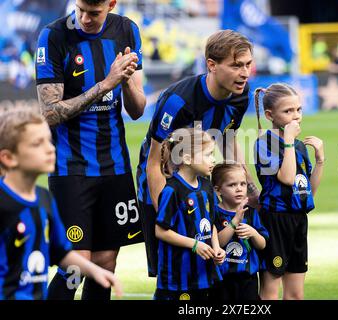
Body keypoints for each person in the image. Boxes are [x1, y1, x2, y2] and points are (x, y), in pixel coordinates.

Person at [35, 0, 146, 300]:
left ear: (111, 4)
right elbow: (49, 113)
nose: (84, 18)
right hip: (70, 167)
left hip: (115, 166)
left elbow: (137, 110)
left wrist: (125, 83)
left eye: (94, 13)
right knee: (77, 265)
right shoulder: (53, 36)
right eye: (80, 9)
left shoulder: (127, 30)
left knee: (106, 262)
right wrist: (106, 84)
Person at [136, 29, 259, 277]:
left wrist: (250, 187)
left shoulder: (240, 94)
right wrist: (167, 212)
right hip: (161, 187)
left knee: (206, 272)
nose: (244, 73)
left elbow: (228, 138)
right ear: (211, 65)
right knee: (172, 274)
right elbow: (153, 163)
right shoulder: (177, 101)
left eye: (247, 65)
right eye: (236, 66)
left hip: (199, 185)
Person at [0, 108, 122, 300]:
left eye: (49, 141)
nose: (50, 148)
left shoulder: (44, 199)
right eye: (37, 144)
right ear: (9, 157)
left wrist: (95, 271)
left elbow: (61, 252)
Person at [254, 83, 325, 300]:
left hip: (297, 220)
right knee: (270, 291)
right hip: (275, 220)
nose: (296, 116)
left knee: (295, 294)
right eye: (288, 111)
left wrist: (320, 160)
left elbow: (307, 190)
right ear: (270, 115)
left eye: (298, 109)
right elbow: (286, 178)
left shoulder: (298, 146)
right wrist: (287, 142)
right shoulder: (263, 143)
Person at [154, 128, 225, 300]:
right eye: (208, 154)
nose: (213, 159)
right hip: (177, 278)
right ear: (187, 158)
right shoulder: (172, 190)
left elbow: (211, 223)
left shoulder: (207, 186)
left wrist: (216, 248)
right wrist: (194, 244)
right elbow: (161, 231)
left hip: (203, 274)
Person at [210, 162, 268, 300]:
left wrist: (253, 233)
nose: (239, 189)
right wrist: (234, 222)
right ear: (218, 190)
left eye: (243, 184)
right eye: (232, 185)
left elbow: (262, 244)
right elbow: (219, 242)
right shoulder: (214, 213)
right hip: (222, 279)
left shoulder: (251, 213)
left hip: (247, 278)